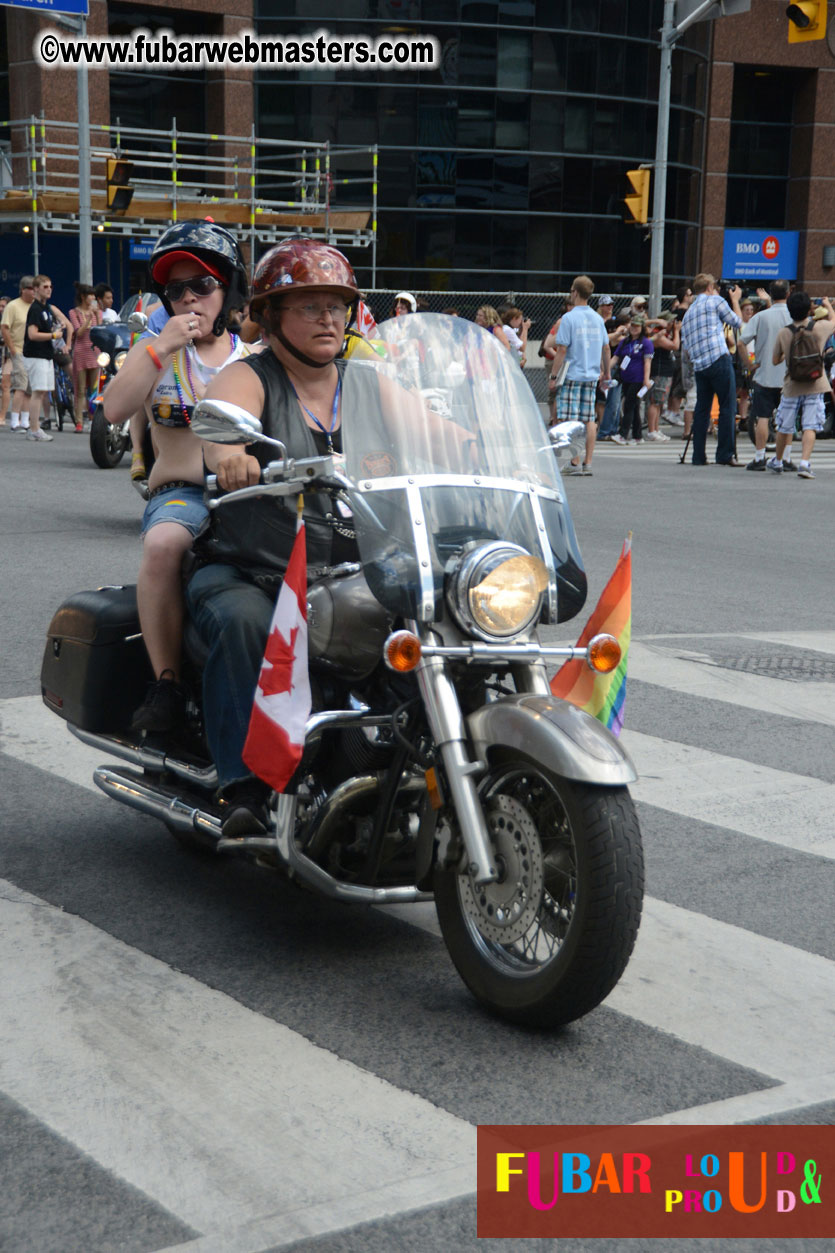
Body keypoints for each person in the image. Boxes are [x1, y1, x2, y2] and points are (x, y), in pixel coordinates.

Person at [185, 238, 367, 837]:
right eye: (309, 306)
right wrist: (231, 454)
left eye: (336, 306)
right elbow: (220, 430)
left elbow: (439, 429)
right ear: (269, 316)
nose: (328, 319)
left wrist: (500, 453)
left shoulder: (363, 384)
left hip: (348, 571)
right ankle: (245, 788)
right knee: (244, 622)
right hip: (250, 568)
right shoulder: (250, 375)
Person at [103, 219, 252, 733]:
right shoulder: (154, 350)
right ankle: (165, 683)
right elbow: (113, 410)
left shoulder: (254, 359)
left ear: (227, 290)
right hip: (183, 493)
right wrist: (158, 347)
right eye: (176, 289)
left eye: (202, 285)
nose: (189, 297)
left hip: (256, 496)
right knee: (163, 544)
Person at [767, 291, 835, 479]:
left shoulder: (784, 333)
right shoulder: (820, 327)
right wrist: (828, 305)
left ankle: (778, 461)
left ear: (789, 310)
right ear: (809, 309)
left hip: (792, 384)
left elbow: (775, 360)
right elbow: (834, 321)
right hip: (816, 383)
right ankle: (804, 463)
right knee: (810, 425)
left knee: (784, 426)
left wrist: (786, 355)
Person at [680, 273, 742, 466]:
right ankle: (724, 454)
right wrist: (735, 300)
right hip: (718, 358)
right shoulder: (715, 300)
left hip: (700, 365)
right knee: (727, 406)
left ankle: (698, 456)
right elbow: (737, 322)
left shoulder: (688, 313)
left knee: (702, 409)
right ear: (709, 287)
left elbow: (686, 344)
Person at [551, 275, 610, 474]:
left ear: (574, 292)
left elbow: (561, 350)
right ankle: (588, 461)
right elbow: (606, 347)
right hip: (592, 374)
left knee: (569, 419)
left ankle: (574, 462)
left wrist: (553, 376)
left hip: (572, 373)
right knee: (589, 419)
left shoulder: (569, 318)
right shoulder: (597, 318)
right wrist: (606, 371)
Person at [740, 279, 791, 471]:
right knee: (786, 419)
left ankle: (760, 456)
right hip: (788, 376)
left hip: (764, 374)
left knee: (762, 417)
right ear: (787, 294)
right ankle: (785, 458)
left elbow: (740, 343)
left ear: (771, 293)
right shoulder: (794, 316)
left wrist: (750, 364)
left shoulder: (760, 317)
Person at [22, 275, 66, 442]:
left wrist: (56, 330)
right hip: (36, 355)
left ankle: (36, 427)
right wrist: (53, 334)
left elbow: (46, 330)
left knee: (42, 392)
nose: (49, 289)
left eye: (50, 286)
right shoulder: (35, 309)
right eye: (45, 286)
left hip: (46, 354)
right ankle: (34, 429)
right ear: (36, 290)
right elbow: (32, 334)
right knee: (38, 391)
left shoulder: (46, 308)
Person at [1, 275, 37, 431]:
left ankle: (25, 420)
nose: (34, 291)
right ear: (23, 290)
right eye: (31, 288)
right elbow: (5, 327)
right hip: (19, 350)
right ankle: (14, 420)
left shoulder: (35, 306)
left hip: (33, 352)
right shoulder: (13, 306)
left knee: (29, 388)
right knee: (20, 386)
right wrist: (13, 349)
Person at [611, 313, 653, 445]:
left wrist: (646, 380)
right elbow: (616, 358)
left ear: (642, 328)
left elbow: (647, 362)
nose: (634, 328)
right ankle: (637, 435)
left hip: (638, 378)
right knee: (634, 406)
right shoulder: (625, 342)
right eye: (632, 326)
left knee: (628, 405)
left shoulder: (646, 343)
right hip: (626, 378)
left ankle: (623, 434)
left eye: (637, 326)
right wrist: (605, 371)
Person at [69, 282, 103, 432]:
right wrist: (89, 318)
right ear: (83, 297)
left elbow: (101, 330)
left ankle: (93, 418)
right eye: (90, 295)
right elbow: (79, 332)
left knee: (95, 389)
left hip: (94, 352)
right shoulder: (74, 312)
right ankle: (79, 422)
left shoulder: (97, 312)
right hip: (80, 352)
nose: (93, 298)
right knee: (80, 389)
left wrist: (96, 315)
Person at [645, 312, 679, 441]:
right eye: (670, 322)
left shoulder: (665, 334)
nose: (672, 325)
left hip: (666, 372)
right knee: (655, 401)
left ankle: (656, 428)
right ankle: (651, 430)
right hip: (659, 372)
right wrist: (677, 331)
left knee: (659, 403)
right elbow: (675, 346)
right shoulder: (657, 335)